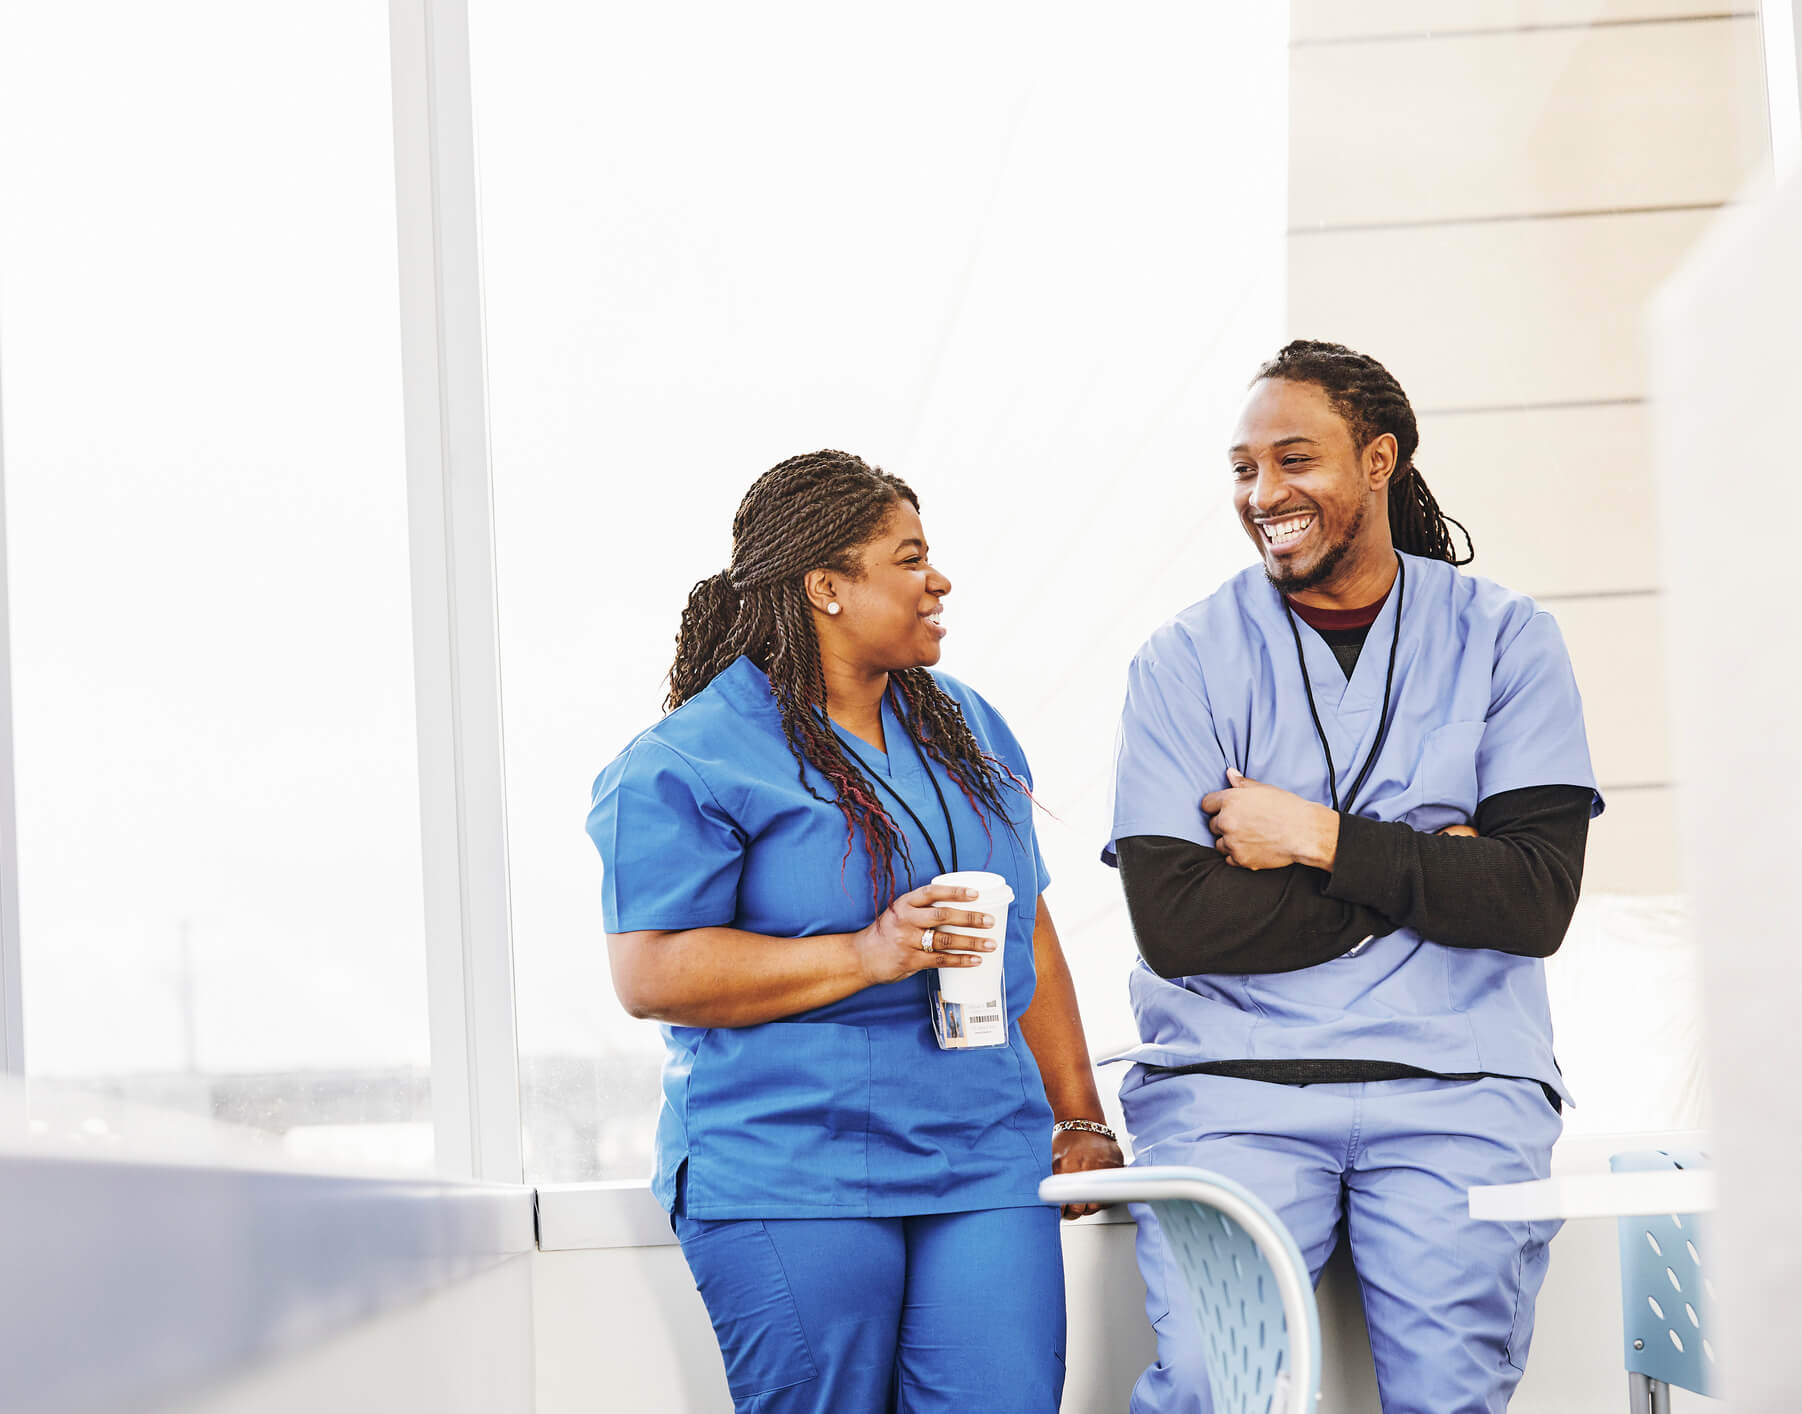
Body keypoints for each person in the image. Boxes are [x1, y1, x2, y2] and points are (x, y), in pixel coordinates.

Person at [1105, 341, 1601, 1414]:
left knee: (1446, 1395)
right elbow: (1179, 924)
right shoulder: (1182, 660)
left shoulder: (1506, 642)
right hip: (1234, 1091)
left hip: (1456, 1089)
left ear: (1377, 460)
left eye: (1294, 459)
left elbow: (1529, 901)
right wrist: (1426, 867)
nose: (1263, 493)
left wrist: (1313, 836)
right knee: (1209, 1385)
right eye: (1242, 468)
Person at [588, 450, 1122, 1414]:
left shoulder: (969, 726)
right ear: (825, 586)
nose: (939, 579)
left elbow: (1026, 918)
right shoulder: (689, 758)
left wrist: (1078, 1113)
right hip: (791, 1165)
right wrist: (868, 954)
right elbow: (651, 971)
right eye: (910, 558)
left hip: (980, 1157)